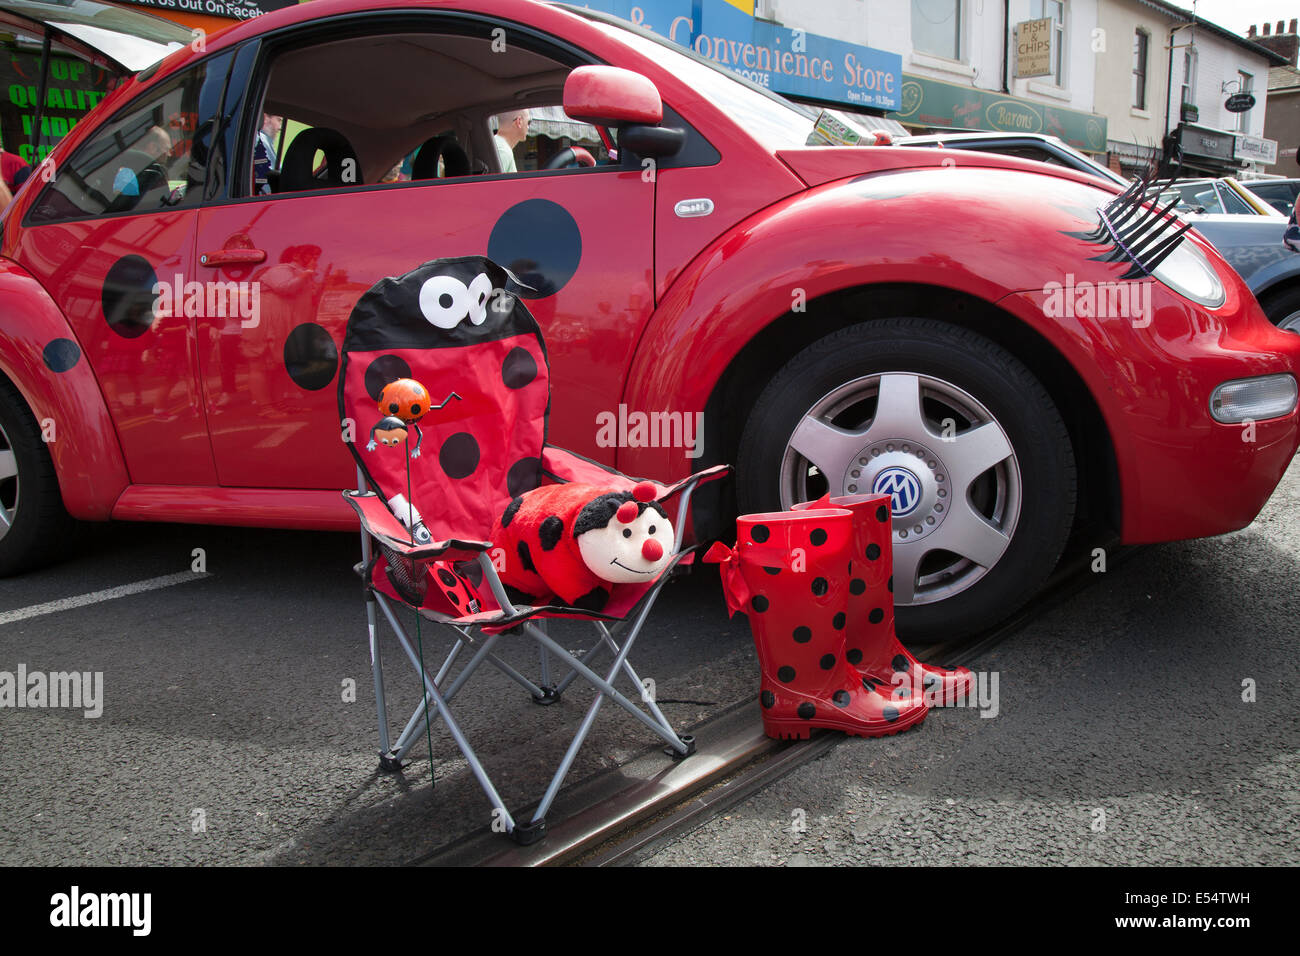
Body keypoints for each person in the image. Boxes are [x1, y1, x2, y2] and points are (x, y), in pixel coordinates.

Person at [493, 109, 529, 173]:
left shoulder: (498, 146)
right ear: (519, 121)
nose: (528, 127)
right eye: (528, 122)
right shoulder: (503, 151)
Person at [254, 113, 282, 194]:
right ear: (265, 118)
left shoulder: (262, 141)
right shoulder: (261, 140)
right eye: (279, 120)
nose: (280, 127)